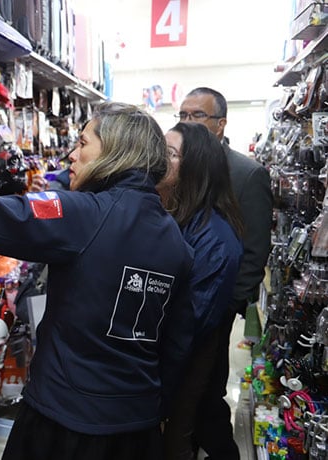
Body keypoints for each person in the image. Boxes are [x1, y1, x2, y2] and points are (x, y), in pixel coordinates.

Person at [0, 102, 196, 460]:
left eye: (82, 143)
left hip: (63, 422)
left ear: (114, 152)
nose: (72, 155)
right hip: (136, 428)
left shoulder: (83, 215)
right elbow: (178, 344)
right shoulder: (177, 241)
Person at [179, 87, 273, 459]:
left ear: (220, 125)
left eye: (196, 116)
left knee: (205, 391)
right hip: (178, 305)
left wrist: (228, 306)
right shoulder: (176, 164)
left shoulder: (247, 174)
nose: (187, 122)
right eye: (182, 115)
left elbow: (254, 253)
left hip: (215, 308)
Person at [157, 122, 244, 460]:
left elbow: (187, 325)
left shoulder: (215, 239)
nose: (159, 159)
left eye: (170, 154)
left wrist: (160, 395)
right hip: (169, 361)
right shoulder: (176, 214)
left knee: (176, 439)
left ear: (195, 169)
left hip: (182, 366)